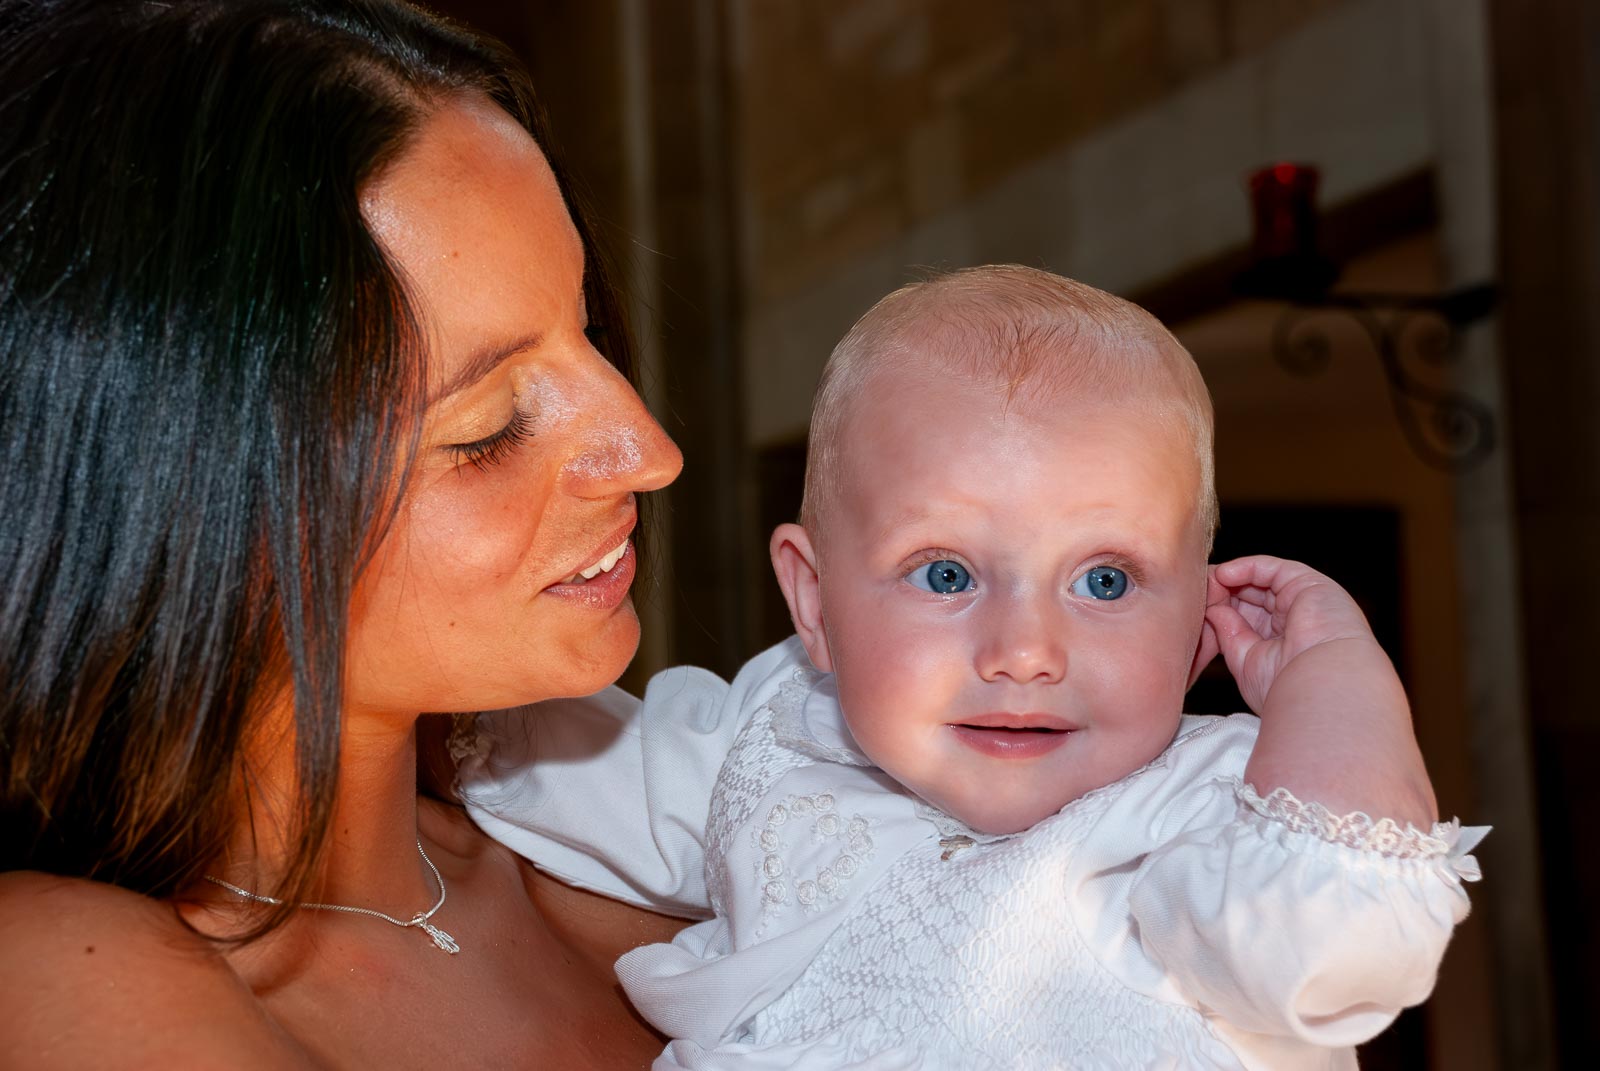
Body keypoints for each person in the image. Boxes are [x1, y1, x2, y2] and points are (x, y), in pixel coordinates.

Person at [460, 266, 1487, 1069]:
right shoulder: (771, 734)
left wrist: (1337, 681)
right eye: (945, 573)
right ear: (813, 602)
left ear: (1198, 626)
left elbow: (1339, 935)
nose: (1025, 653)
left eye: (1105, 582)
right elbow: (530, 756)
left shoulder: (1212, 804)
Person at [0, 1, 693, 1066]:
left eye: (588, 330)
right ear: (186, 509)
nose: (646, 449)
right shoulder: (57, 971)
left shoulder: (648, 832)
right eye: (486, 429)